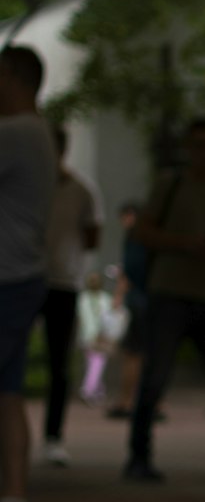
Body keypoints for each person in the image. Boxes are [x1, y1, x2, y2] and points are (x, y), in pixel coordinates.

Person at [124, 118, 205, 481]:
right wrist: (185, 244)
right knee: (155, 378)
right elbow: (143, 231)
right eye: (199, 145)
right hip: (167, 292)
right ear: (188, 149)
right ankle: (138, 458)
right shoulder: (171, 185)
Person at [0, 45, 57, 502]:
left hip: (6, 279)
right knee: (9, 393)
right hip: (24, 276)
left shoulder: (15, 133)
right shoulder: (38, 132)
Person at [38, 124, 103, 464]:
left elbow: (94, 234)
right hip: (26, 279)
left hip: (63, 282)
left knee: (59, 364)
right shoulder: (27, 186)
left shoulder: (80, 190)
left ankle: (53, 436)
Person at [106, 201, 148, 419]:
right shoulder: (146, 237)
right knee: (142, 353)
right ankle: (142, 401)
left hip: (140, 302)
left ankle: (127, 401)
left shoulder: (136, 238)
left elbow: (130, 270)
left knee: (134, 353)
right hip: (147, 301)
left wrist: (119, 295)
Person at [76, 270, 120, 404]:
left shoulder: (106, 298)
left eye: (95, 279)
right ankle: (99, 392)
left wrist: (108, 335)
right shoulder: (82, 298)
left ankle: (87, 390)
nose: (93, 282)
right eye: (91, 279)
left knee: (97, 362)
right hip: (87, 336)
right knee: (93, 364)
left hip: (102, 336)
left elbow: (111, 318)